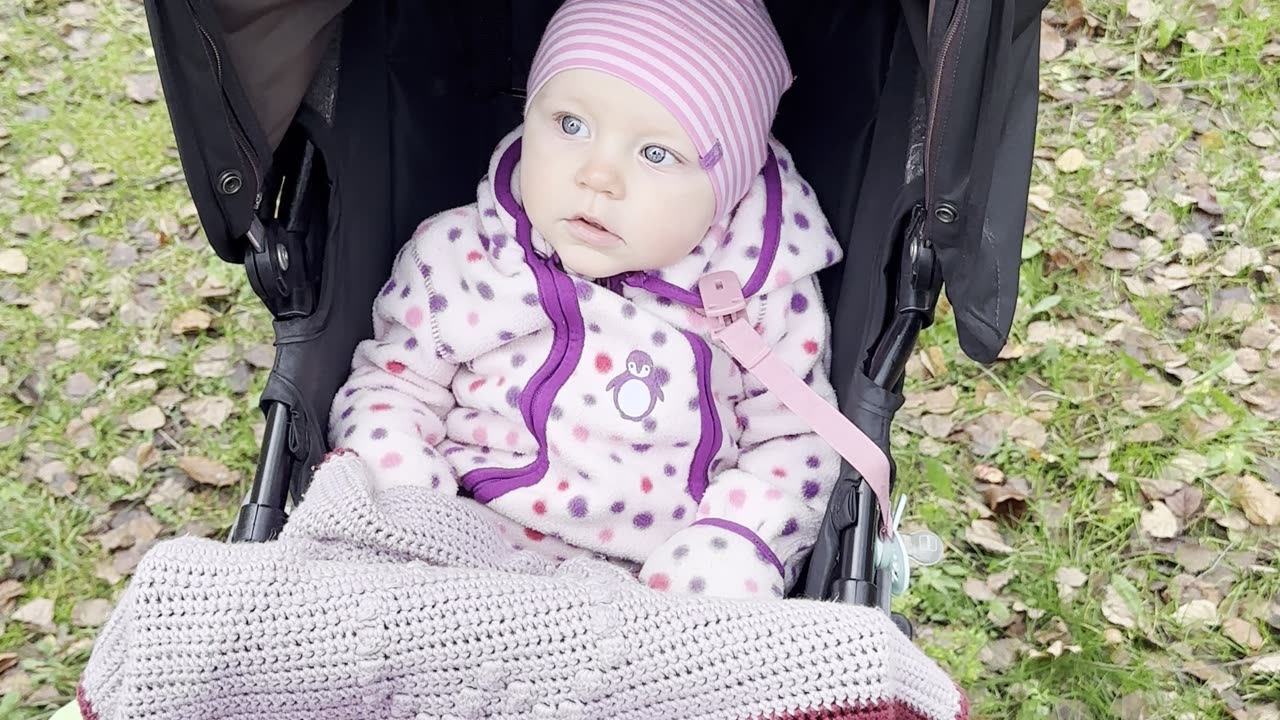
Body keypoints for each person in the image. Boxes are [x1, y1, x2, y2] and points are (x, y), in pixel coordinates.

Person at [329, 0, 845, 600]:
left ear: (728, 187)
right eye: (570, 125)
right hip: (462, 554)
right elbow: (390, 388)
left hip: (659, 588)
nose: (598, 176)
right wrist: (411, 501)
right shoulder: (458, 255)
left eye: (657, 154)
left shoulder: (761, 298)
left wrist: (724, 548)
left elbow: (793, 444)